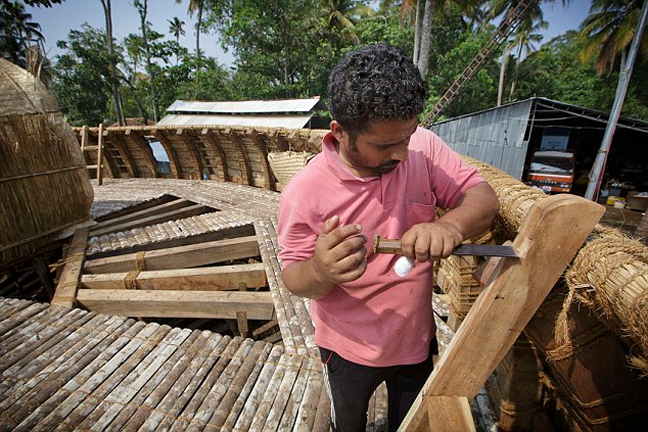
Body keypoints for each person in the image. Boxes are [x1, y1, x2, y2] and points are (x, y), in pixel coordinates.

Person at [277, 43, 500, 432]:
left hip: (414, 341)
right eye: (384, 145)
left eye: (407, 136)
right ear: (340, 132)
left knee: (410, 424)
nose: (401, 154)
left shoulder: (424, 148)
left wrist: (451, 225)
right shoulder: (305, 190)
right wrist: (321, 269)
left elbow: (482, 198)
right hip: (345, 349)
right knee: (348, 424)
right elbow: (293, 278)